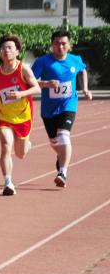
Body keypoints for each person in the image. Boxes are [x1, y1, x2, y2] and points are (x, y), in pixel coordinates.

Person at [31, 30, 92, 188]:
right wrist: (46, 84)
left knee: (64, 136)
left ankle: (62, 172)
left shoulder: (75, 60)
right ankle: (61, 155)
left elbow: (82, 70)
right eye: (57, 43)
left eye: (64, 43)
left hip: (68, 105)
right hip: (48, 109)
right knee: (55, 142)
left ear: (69, 45)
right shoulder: (42, 62)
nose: (60, 47)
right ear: (52, 45)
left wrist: (85, 88)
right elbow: (29, 81)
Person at [0, 34, 40, 195]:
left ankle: (26, 144)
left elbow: (37, 88)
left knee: (20, 154)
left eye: (9, 48)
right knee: (6, 146)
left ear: (17, 51)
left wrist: (21, 94)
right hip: (4, 116)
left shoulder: (23, 69)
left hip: (23, 117)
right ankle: (8, 183)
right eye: (3, 48)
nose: (6, 51)